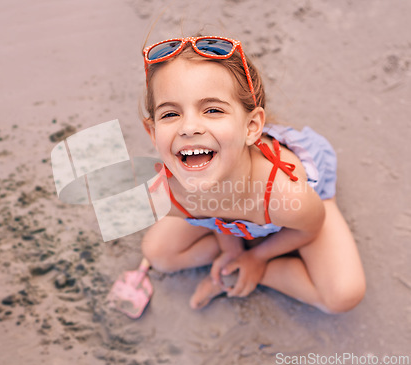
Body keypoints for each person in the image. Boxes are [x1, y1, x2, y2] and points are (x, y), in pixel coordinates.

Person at [140, 36, 365, 314]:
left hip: (294, 209)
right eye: (170, 114)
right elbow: (214, 218)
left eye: (212, 110)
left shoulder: (286, 194)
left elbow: (310, 227)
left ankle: (251, 272)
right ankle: (235, 259)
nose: (189, 127)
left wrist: (257, 259)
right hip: (240, 208)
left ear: (251, 126)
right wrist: (232, 250)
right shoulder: (168, 193)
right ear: (152, 133)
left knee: (343, 295)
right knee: (158, 253)